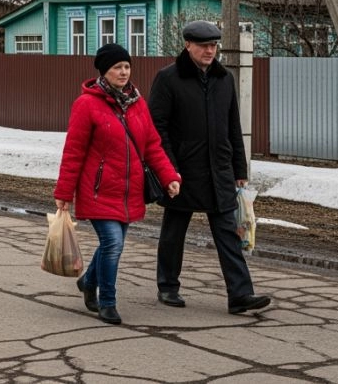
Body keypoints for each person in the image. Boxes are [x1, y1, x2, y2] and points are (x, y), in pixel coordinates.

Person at [147, 20, 271, 315]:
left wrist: (240, 170)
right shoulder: (168, 78)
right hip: (182, 171)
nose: (210, 50)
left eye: (213, 45)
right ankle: (167, 286)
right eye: (204, 45)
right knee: (174, 231)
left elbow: (233, 126)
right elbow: (157, 129)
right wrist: (168, 169)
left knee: (229, 233)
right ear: (188, 45)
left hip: (219, 170)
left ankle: (240, 294)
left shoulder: (224, 78)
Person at [54, 43, 181, 325]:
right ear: (104, 71)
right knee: (112, 243)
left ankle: (88, 281)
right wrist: (64, 193)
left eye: (126, 66)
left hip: (129, 191)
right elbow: (73, 151)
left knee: (114, 243)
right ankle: (107, 302)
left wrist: (169, 176)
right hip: (97, 190)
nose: (123, 72)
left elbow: (152, 146)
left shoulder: (137, 103)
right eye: (117, 68)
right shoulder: (86, 104)